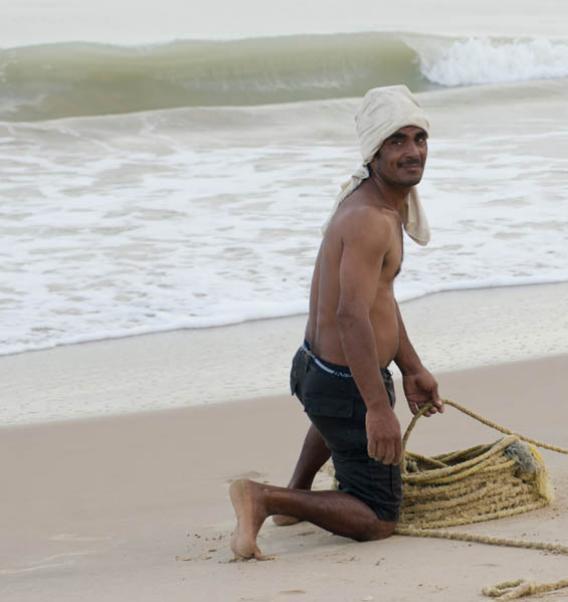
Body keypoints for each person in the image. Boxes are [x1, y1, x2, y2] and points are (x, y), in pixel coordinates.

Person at [229, 85, 443, 560]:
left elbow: (380, 301)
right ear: (374, 151)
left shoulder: (384, 205)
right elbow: (351, 317)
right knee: (378, 517)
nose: (413, 152)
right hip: (343, 383)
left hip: (319, 372)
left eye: (419, 138)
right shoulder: (369, 218)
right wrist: (377, 408)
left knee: (338, 423)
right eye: (398, 142)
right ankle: (265, 499)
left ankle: (295, 490)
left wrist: (411, 367)